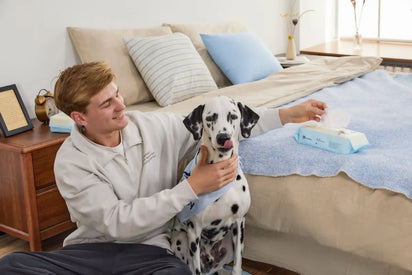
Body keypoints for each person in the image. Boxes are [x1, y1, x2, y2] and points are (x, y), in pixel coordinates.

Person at [0, 61, 327, 274]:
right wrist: (192, 187)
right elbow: (118, 224)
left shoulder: (153, 127)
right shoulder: (70, 161)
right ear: (79, 118)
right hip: (93, 255)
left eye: (117, 94)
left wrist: (285, 115)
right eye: (107, 103)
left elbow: (219, 127)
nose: (121, 105)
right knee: (11, 264)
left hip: (153, 253)